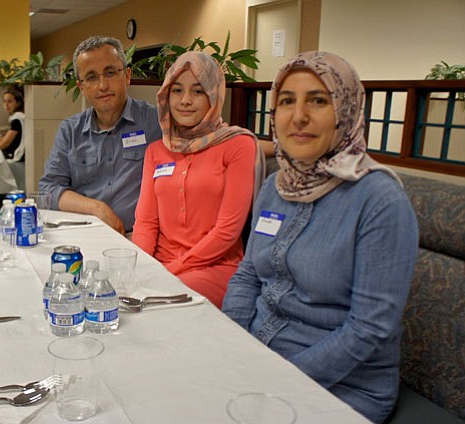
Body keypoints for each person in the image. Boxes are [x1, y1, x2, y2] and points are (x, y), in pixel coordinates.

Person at [221, 51, 419, 423]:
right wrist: (232, 342)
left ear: (345, 109)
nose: (299, 116)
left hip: (340, 385)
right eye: (286, 101)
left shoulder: (380, 201)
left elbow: (370, 327)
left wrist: (279, 377)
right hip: (258, 358)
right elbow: (249, 274)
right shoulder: (274, 185)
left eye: (318, 100)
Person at [132, 51, 264, 308]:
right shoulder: (156, 151)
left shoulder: (238, 145)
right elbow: (146, 222)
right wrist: (140, 265)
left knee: (155, 307)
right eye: (177, 90)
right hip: (160, 263)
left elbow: (227, 232)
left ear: (214, 96)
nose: (185, 101)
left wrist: (171, 270)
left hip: (215, 266)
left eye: (198, 91)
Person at [38, 36, 162, 235]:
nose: (103, 85)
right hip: (84, 234)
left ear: (127, 75)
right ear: (81, 87)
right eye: (92, 77)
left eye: (110, 73)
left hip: (137, 238)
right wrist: (97, 208)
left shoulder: (157, 123)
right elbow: (49, 189)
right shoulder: (70, 131)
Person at [0, 88, 25, 161]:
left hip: (16, 155)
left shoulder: (17, 119)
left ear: (18, 103)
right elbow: (7, 137)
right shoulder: (19, 116)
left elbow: (7, 142)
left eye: (10, 101)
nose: (6, 104)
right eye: (4, 101)